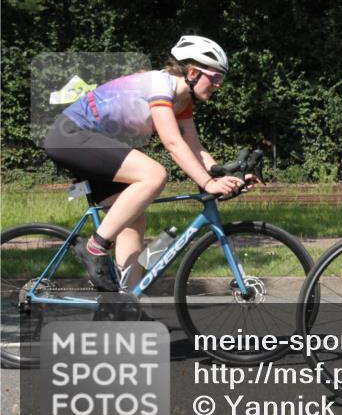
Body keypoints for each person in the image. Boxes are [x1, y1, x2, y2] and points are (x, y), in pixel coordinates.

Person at [44, 36, 248, 292]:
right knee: (154, 174)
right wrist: (207, 183)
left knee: (133, 222)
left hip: (96, 142)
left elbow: (196, 149)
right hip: (71, 135)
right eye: (216, 77)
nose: (219, 85)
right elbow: (173, 143)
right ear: (194, 72)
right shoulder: (159, 84)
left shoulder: (181, 101)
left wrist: (225, 176)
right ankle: (94, 246)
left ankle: (125, 304)